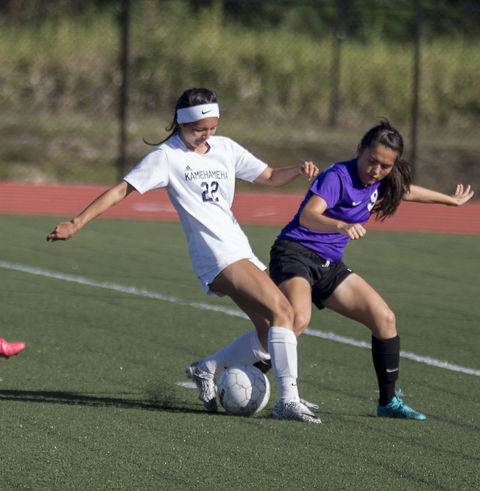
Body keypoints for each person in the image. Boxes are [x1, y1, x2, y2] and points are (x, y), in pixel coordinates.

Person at [47, 87, 322, 423]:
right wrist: (77, 223)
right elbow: (121, 189)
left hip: (239, 247)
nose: (205, 135)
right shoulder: (167, 157)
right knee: (284, 310)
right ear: (180, 123)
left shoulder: (225, 148)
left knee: (271, 330)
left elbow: (269, 176)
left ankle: (205, 369)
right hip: (214, 253)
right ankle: (288, 401)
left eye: (211, 128)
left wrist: (297, 170)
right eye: (197, 129)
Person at [268, 119, 474, 420]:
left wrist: (450, 201)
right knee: (297, 318)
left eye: (385, 166)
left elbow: (407, 191)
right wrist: (342, 225)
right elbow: (308, 217)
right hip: (295, 253)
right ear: (359, 150)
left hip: (329, 266)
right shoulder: (337, 175)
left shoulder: (380, 181)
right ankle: (248, 368)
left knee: (384, 318)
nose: (376, 170)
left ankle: (388, 403)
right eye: (371, 161)